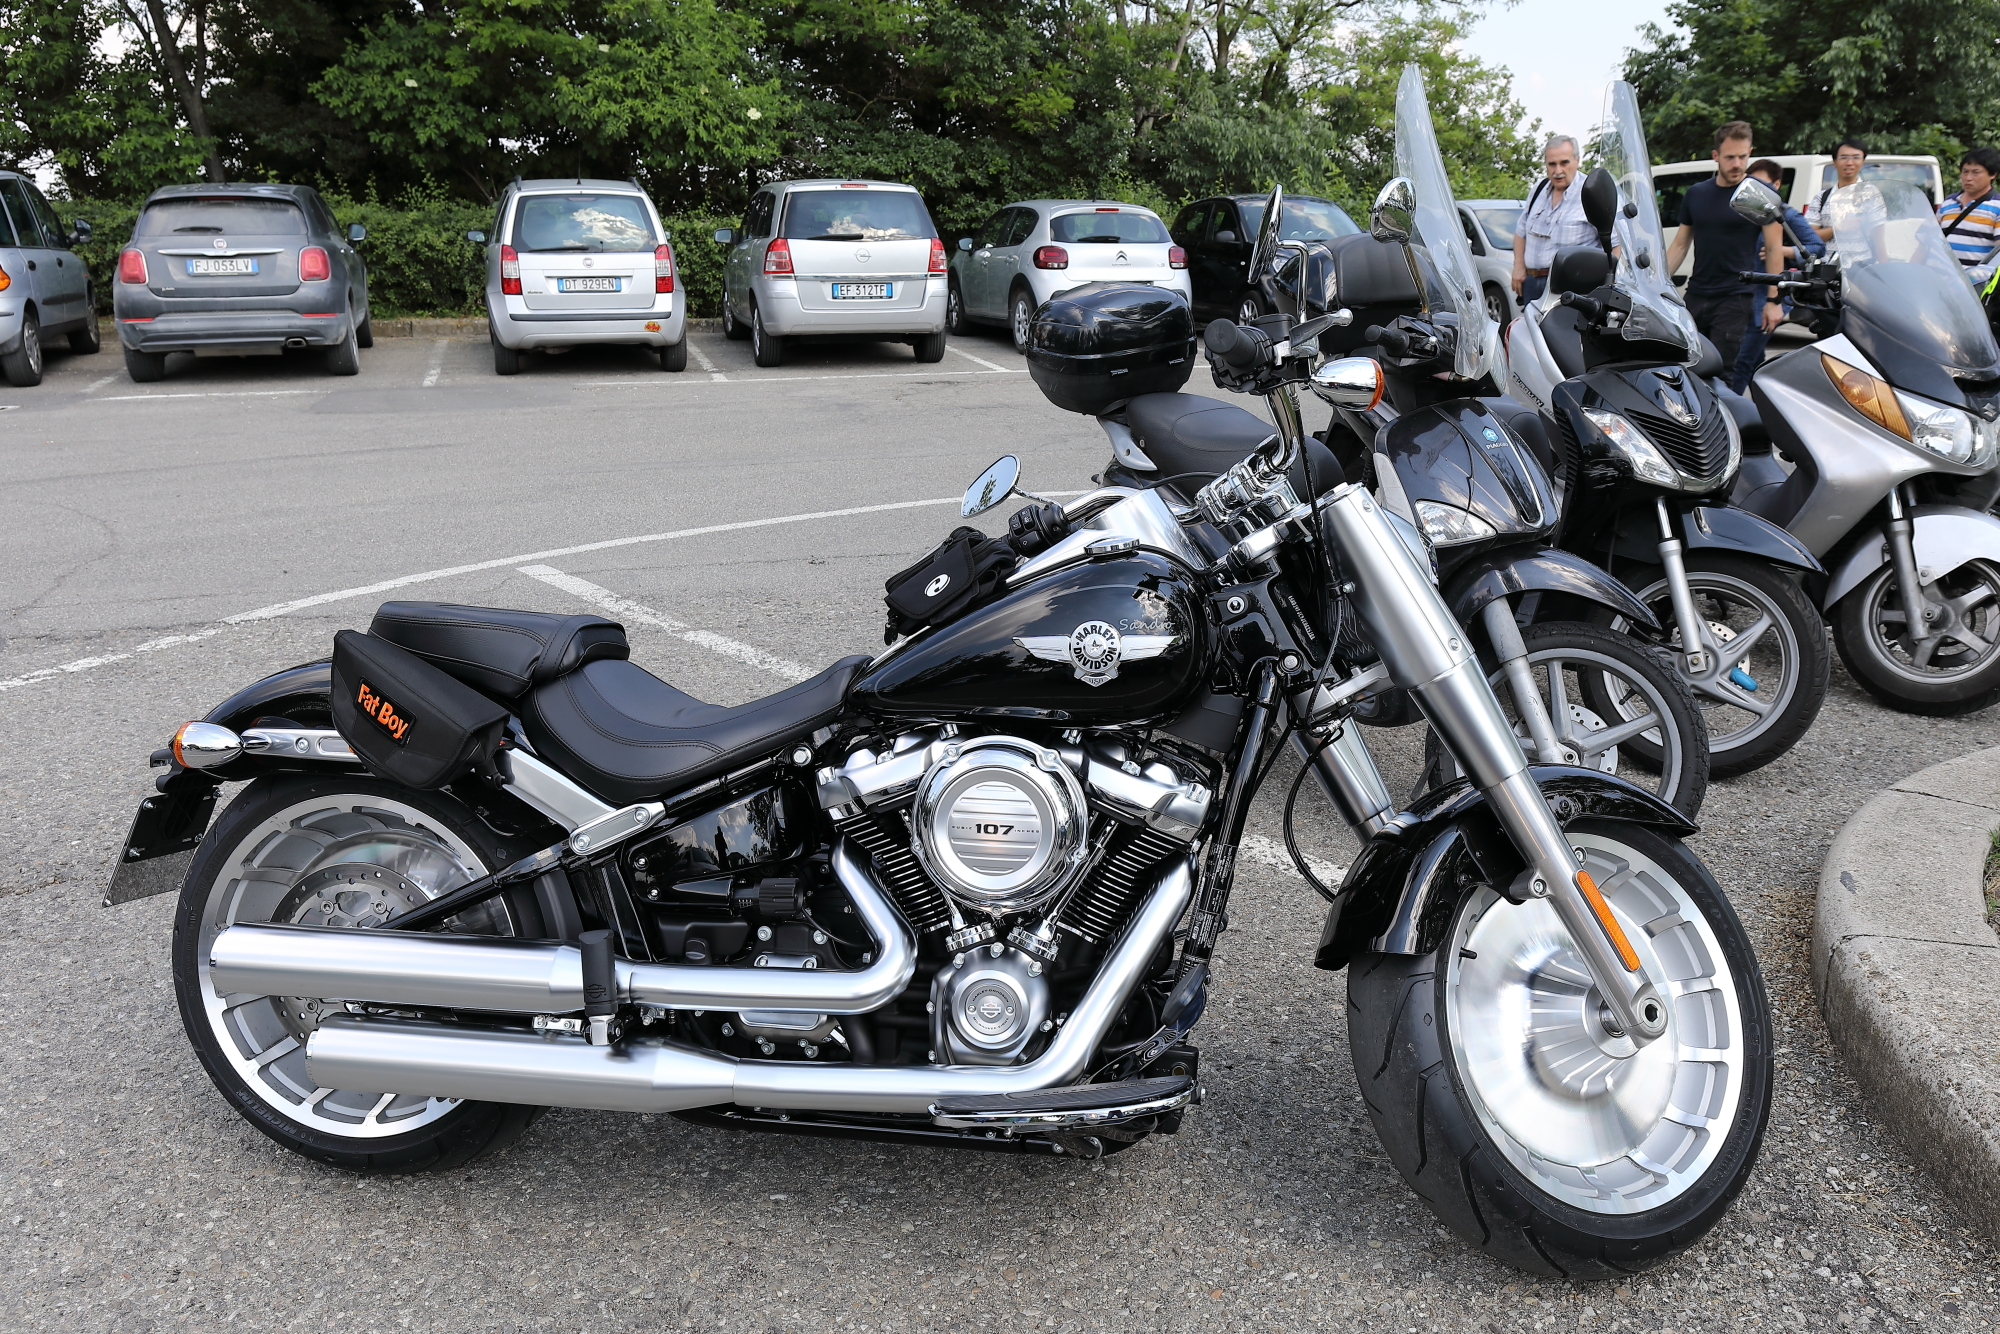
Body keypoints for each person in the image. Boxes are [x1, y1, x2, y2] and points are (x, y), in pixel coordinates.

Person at [1665, 121, 1785, 372]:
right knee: (1683, 366)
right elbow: (1680, 243)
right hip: (1697, 292)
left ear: (1750, 153)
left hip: (1735, 296)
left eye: (1743, 156)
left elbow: (1774, 248)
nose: (1737, 164)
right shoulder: (1696, 194)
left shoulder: (1758, 194)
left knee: (1721, 371)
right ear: (1715, 156)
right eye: (1730, 157)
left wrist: (1774, 300)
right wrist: (1656, 282)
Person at [1727, 161, 1825, 391]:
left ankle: (1735, 417)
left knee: (1741, 362)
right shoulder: (1746, 212)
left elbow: (1816, 246)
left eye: (1764, 185)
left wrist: (1784, 250)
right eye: (1752, 185)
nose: (1757, 193)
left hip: (1768, 300)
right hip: (1739, 297)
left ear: (1777, 185)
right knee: (1754, 361)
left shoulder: (1784, 213)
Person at [1512, 135, 1596, 305]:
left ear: (1577, 161)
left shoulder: (1592, 191)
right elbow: (1521, 231)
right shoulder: (1539, 188)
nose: (1557, 171)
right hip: (1532, 283)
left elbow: (1617, 244)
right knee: (1531, 332)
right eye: (1552, 164)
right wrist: (1518, 266)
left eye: (1564, 163)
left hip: (1573, 288)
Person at [1938, 147, 2000, 270]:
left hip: (1976, 284)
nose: (1968, 178)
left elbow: (1998, 254)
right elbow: (1927, 241)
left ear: (1993, 175)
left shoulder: (1997, 206)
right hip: (1942, 280)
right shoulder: (1948, 203)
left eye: (1976, 172)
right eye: (1965, 172)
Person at [1806, 139, 1868, 241]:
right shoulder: (1821, 197)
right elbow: (1809, 237)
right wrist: (1838, 228)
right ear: (1835, 162)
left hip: (1863, 257)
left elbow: (1881, 236)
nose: (1849, 163)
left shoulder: (1872, 195)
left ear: (1863, 162)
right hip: (1827, 257)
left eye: (1856, 157)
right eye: (1844, 157)